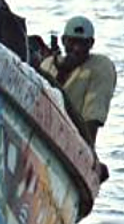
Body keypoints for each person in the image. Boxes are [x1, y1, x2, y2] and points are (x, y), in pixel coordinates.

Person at [40, 16, 117, 147]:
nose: (77, 48)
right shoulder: (49, 65)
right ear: (63, 41)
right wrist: (62, 71)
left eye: (83, 43)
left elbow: (93, 117)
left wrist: (87, 150)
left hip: (74, 141)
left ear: (91, 44)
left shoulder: (100, 67)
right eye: (72, 42)